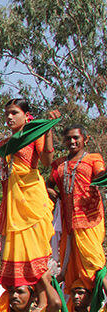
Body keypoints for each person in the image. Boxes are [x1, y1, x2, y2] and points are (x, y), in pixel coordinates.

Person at [0, 99, 56, 289]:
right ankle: (18, 301)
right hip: (11, 204)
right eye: (7, 113)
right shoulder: (3, 145)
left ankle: (43, 301)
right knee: (12, 255)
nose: (9, 117)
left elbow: (47, 161)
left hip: (31, 203)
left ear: (26, 115)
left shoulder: (34, 136)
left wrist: (47, 132)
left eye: (14, 113)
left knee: (35, 253)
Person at [47, 124, 105, 291]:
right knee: (69, 267)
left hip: (89, 220)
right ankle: (76, 309)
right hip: (68, 224)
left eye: (76, 138)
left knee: (94, 263)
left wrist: (103, 175)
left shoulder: (94, 158)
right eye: (68, 138)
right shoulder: (58, 164)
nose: (72, 141)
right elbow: (49, 183)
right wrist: (50, 190)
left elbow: (100, 174)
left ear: (85, 140)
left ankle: (101, 304)